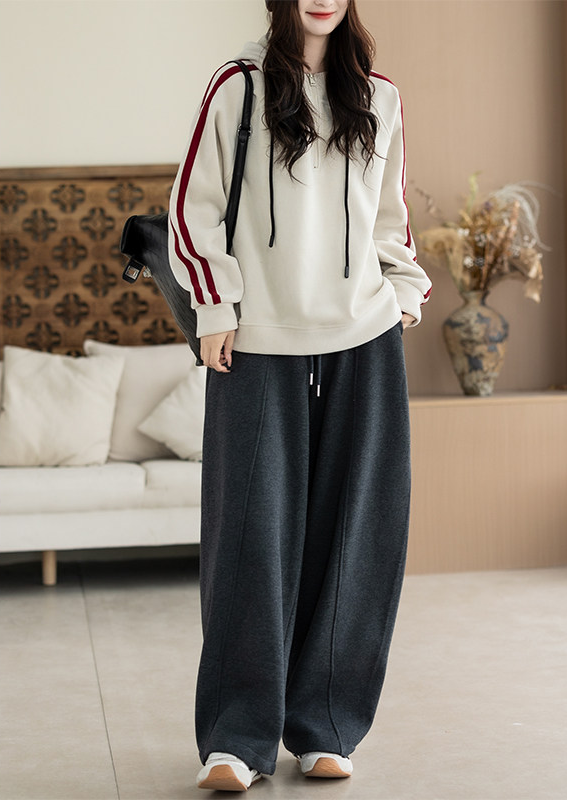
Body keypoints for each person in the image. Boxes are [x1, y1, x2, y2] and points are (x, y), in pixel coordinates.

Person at [167, 0, 432, 791]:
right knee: (250, 542)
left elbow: (391, 217)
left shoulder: (378, 95)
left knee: (360, 538)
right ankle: (236, 739)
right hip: (259, 344)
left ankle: (328, 725)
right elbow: (192, 207)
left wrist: (404, 292)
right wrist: (215, 305)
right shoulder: (238, 86)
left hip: (364, 338)